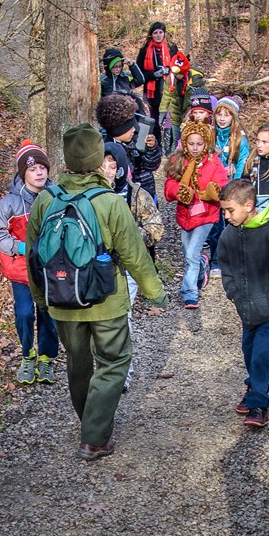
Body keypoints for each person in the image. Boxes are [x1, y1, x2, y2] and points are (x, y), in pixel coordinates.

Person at [25, 124, 168, 461]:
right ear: (96, 160)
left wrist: (41, 299)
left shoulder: (46, 199)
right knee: (114, 362)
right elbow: (134, 254)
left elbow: (33, 257)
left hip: (61, 299)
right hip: (106, 300)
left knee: (78, 365)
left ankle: (89, 423)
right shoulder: (109, 201)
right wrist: (155, 292)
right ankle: (94, 436)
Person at [217, 179, 269, 428]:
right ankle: (254, 386)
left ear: (249, 205)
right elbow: (226, 266)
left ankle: (259, 404)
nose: (226, 216)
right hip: (247, 307)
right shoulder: (229, 234)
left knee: (262, 352)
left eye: (230, 210)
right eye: (224, 211)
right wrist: (234, 292)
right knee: (249, 350)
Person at [0, 140, 59, 384]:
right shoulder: (9, 203)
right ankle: (28, 354)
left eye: (42, 167)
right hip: (21, 271)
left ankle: (47, 358)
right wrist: (21, 247)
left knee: (48, 314)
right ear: (22, 173)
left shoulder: (56, 197)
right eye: (32, 169)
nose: (38, 172)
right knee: (25, 314)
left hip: (50, 271)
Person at [100, 143, 164, 392]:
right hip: (98, 268)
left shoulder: (137, 195)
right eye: (102, 164)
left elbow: (156, 227)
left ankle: (122, 374)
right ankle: (104, 367)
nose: (107, 170)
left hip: (127, 267)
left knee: (121, 318)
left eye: (112, 165)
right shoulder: (91, 195)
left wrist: (130, 238)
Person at [164, 121, 228, 309]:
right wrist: (179, 192)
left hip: (207, 215)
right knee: (188, 252)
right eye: (191, 143)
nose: (194, 148)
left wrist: (214, 191)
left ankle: (189, 293)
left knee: (191, 252)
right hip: (185, 215)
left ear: (206, 143)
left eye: (199, 144)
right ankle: (201, 264)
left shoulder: (213, 161)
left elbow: (222, 183)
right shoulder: (179, 161)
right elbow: (168, 185)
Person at [206, 96, 250, 275]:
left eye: (227, 115)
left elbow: (242, 163)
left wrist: (236, 187)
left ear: (234, 117)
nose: (222, 118)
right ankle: (216, 260)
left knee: (233, 224)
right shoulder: (210, 134)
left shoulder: (240, 138)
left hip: (231, 187)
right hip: (213, 187)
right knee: (215, 226)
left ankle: (235, 260)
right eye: (219, 114)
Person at [96, 94, 161, 203]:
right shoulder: (104, 151)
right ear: (119, 130)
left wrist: (151, 148)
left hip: (145, 194)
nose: (134, 129)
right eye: (130, 127)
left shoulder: (136, 139)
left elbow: (152, 165)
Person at [136, 22, 179, 141]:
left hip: (169, 88)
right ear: (151, 35)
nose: (158, 35)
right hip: (152, 91)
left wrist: (169, 70)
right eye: (155, 33)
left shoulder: (172, 47)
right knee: (154, 118)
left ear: (164, 33)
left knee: (169, 118)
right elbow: (139, 73)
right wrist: (154, 74)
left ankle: (170, 145)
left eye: (161, 32)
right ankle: (156, 144)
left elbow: (179, 66)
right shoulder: (144, 50)